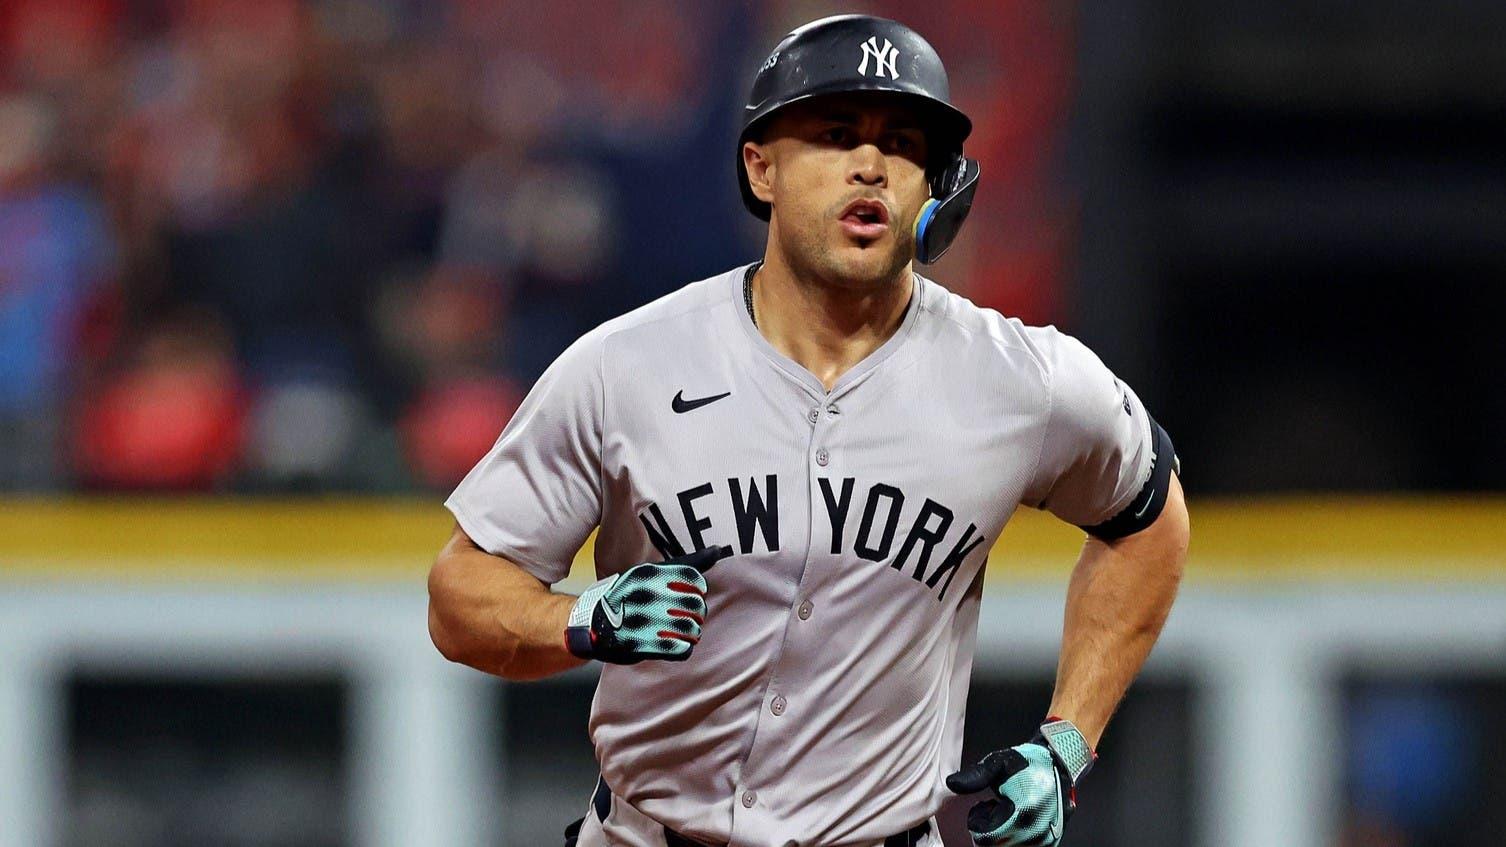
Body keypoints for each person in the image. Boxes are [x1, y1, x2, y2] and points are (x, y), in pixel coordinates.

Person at [428, 14, 1189, 847]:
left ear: (939, 187)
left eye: (904, 144)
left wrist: (1066, 743)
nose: (872, 164)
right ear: (762, 168)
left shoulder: (1022, 379)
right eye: (835, 135)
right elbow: (461, 596)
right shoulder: (627, 365)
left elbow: (1150, 521)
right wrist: (575, 620)